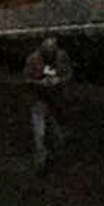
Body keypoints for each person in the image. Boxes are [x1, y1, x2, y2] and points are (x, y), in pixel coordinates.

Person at [24, 35, 74, 173]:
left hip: (56, 99)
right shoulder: (33, 59)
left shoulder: (61, 57)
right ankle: (41, 161)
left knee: (58, 131)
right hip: (39, 99)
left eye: (53, 45)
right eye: (48, 45)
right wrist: (40, 83)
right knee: (39, 132)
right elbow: (27, 79)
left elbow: (68, 74)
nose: (50, 48)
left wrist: (59, 80)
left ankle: (57, 158)